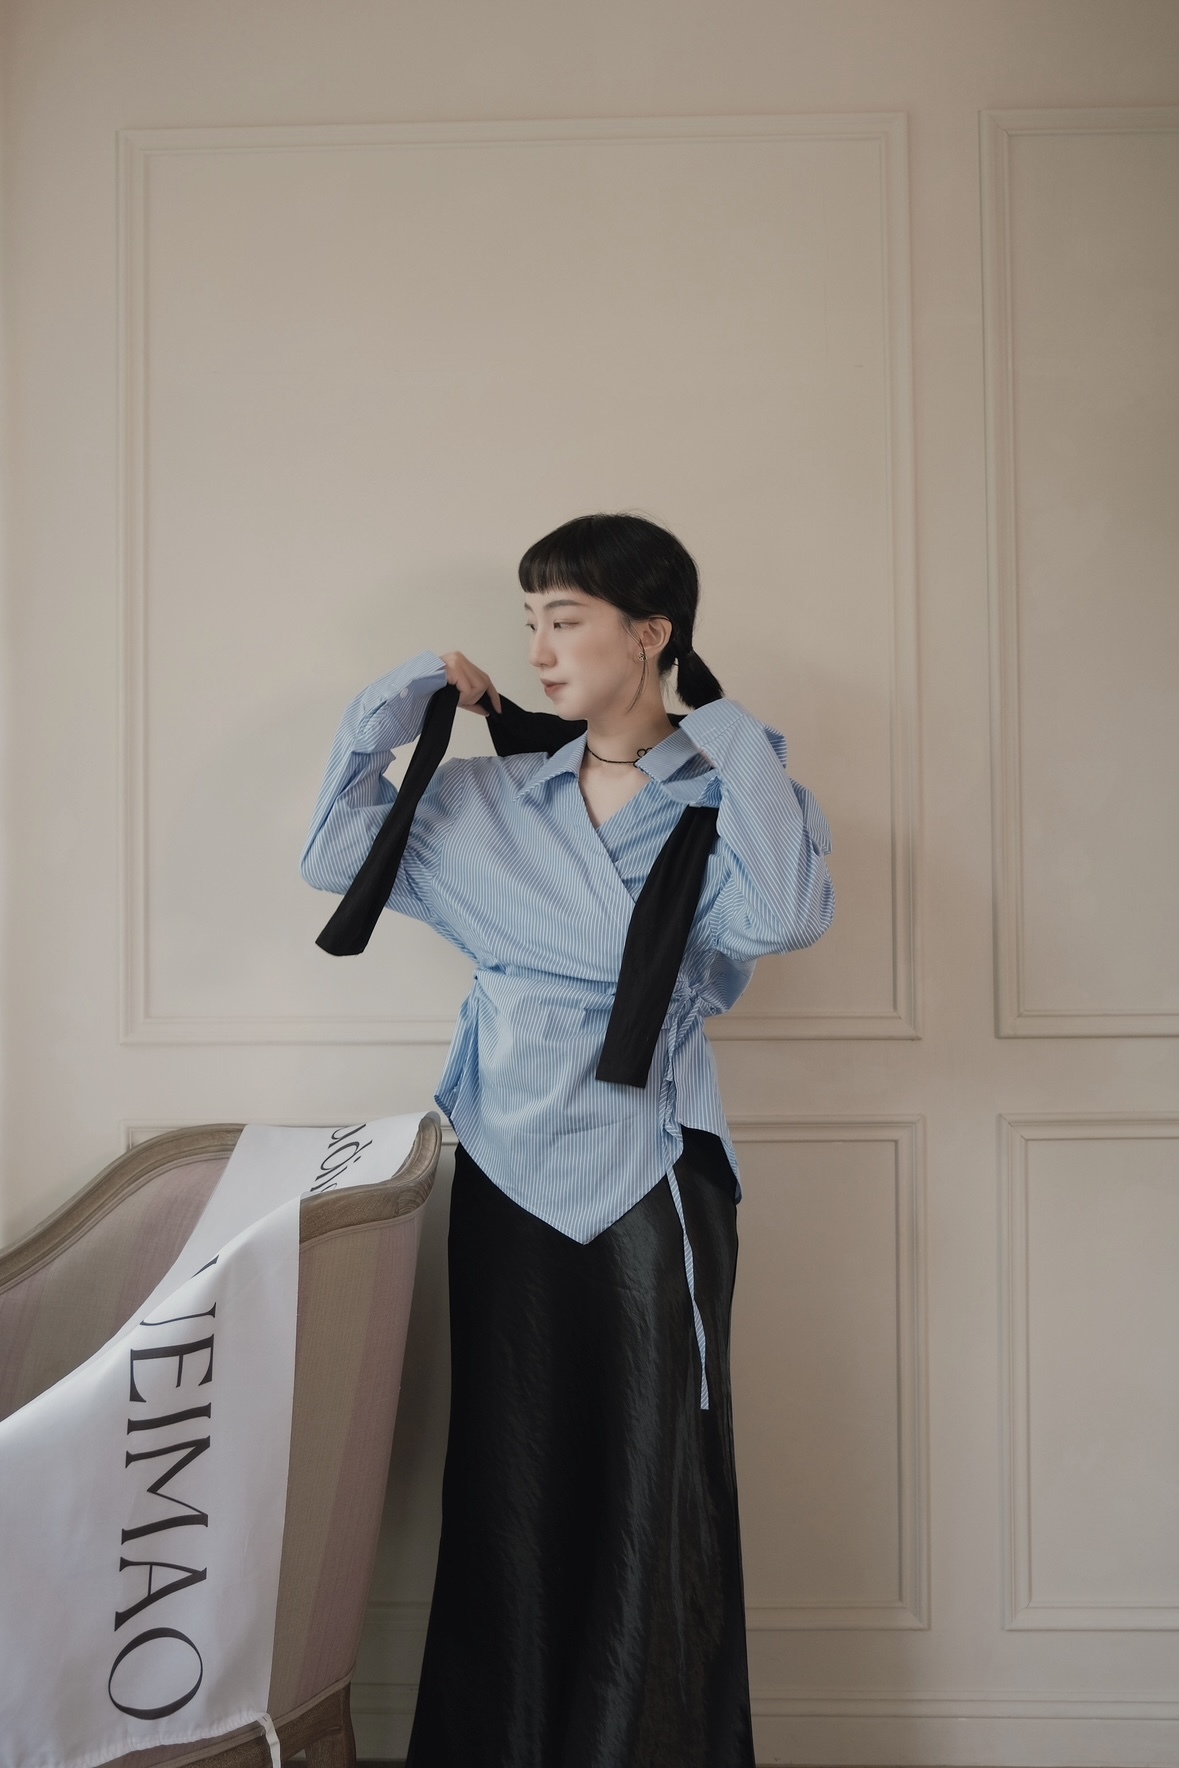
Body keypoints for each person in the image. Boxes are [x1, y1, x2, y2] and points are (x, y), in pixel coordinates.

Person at [300, 512, 835, 1768]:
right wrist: (404, 697)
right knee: (510, 1471)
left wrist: (725, 729)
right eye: (530, 619)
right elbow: (334, 851)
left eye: (566, 619)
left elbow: (786, 916)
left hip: (652, 1165)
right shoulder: (486, 798)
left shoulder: (724, 800)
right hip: (505, 1157)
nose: (538, 648)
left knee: (655, 1471)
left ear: (649, 633)